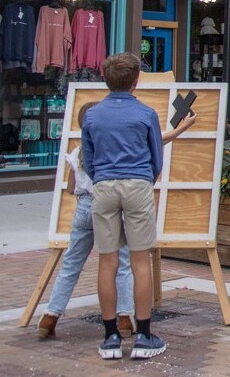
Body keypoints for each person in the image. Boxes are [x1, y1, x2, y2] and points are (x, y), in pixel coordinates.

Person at [39, 102, 196, 340]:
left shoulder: (78, 151)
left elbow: (71, 189)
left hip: (84, 209)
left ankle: (51, 314)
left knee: (71, 263)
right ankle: (125, 317)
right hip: (109, 203)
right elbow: (157, 142)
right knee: (123, 262)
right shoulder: (118, 145)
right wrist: (182, 127)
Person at [82, 52, 166, 360]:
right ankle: (143, 334)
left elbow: (88, 160)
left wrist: (103, 177)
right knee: (140, 259)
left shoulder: (92, 115)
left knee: (107, 261)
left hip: (104, 184)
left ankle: (110, 337)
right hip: (137, 183)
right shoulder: (145, 114)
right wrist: (146, 178)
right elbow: (157, 158)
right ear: (136, 80)